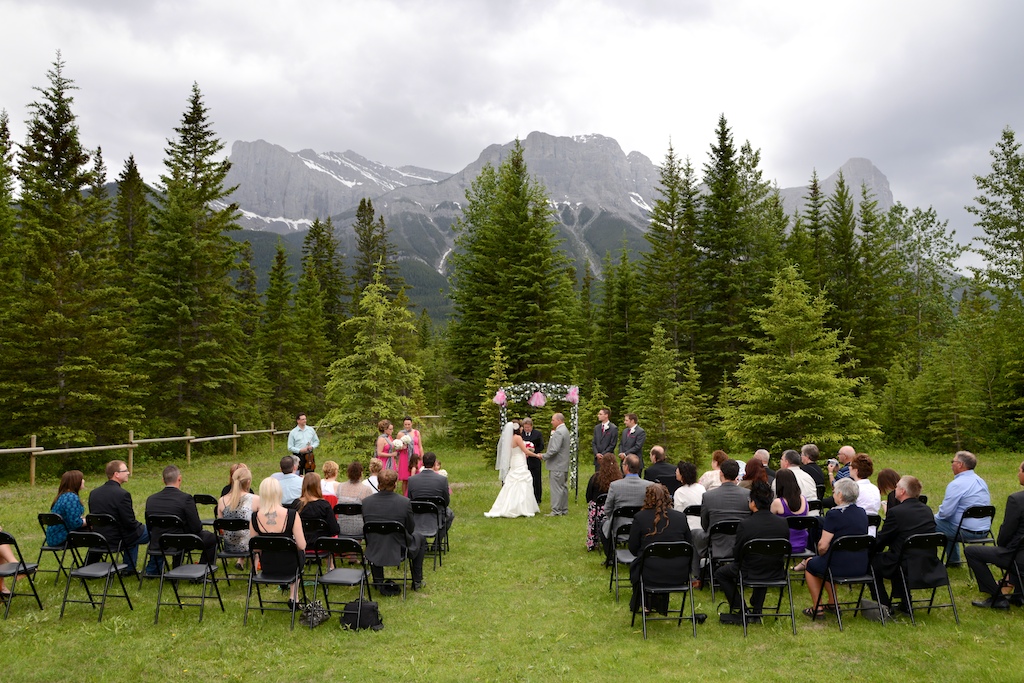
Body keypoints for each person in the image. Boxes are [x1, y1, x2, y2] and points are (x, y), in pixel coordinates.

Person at [717, 481, 791, 624]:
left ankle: (741, 608)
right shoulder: (782, 523)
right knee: (763, 561)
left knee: (721, 573)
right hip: (775, 570)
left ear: (753, 503)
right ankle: (757, 609)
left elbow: (737, 554)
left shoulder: (746, 524)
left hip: (750, 570)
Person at [870, 475, 936, 614]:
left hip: (904, 563)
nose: (895, 489)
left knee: (871, 563)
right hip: (928, 561)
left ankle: (883, 604)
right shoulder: (927, 510)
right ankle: (906, 603)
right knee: (896, 555)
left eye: (897, 487)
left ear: (902, 491)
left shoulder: (896, 512)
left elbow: (883, 538)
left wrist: (870, 551)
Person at [803, 478, 868, 617]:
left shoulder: (834, 515)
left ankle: (817, 608)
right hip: (861, 564)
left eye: (834, 492)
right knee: (825, 562)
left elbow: (822, 545)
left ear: (840, 495)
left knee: (810, 564)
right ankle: (832, 603)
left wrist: (820, 554)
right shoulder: (862, 513)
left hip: (838, 565)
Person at [967, 460, 1024, 610]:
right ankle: (1018, 594)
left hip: (1017, 555)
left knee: (971, 551)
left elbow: (1007, 530)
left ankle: (997, 598)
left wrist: (1002, 545)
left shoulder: (1017, 500)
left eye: (1020, 470)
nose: (1018, 474)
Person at [627, 484, 692, 614]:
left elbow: (633, 548)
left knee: (641, 563)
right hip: (678, 572)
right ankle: (655, 605)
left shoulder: (640, 517)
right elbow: (689, 545)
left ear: (647, 498)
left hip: (649, 573)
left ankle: (645, 604)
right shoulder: (680, 518)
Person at [363, 469, 426, 591]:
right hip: (399, 547)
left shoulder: (366, 502)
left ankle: (378, 580)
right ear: (395, 484)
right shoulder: (404, 502)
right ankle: (417, 581)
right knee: (420, 538)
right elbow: (410, 528)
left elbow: (367, 527)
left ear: (378, 484)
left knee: (377, 537)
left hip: (375, 546)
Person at [145, 465, 218, 567]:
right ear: (179, 478)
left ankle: (175, 566)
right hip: (181, 541)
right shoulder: (186, 499)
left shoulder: (151, 499)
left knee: (179, 533)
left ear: (163, 480)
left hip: (159, 541)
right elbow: (196, 527)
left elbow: (149, 526)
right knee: (212, 538)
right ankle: (202, 569)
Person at [250, 477, 306, 606]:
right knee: (299, 554)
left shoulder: (254, 517)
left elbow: (256, 548)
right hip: (291, 565)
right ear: (279, 492)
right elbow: (302, 545)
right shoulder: (292, 514)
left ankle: (294, 596)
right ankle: (294, 596)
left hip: (268, 565)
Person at [693, 459, 751, 577]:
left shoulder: (708, 496)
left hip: (716, 542)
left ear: (721, 474)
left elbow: (705, 524)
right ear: (737, 475)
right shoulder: (748, 495)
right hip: (741, 542)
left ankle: (696, 575)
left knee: (694, 533)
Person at [88, 460, 149, 571]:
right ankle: (153, 569)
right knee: (153, 532)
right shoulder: (122, 495)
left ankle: (129, 569)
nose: (128, 473)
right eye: (125, 470)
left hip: (100, 538)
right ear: (116, 474)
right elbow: (130, 523)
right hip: (118, 538)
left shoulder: (94, 493)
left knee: (133, 535)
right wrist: (141, 526)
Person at [935, 450, 991, 565]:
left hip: (965, 531)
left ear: (960, 464)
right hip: (984, 530)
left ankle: (928, 563)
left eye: (953, 461)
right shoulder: (981, 481)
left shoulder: (957, 484)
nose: (951, 465)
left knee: (926, 522)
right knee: (950, 523)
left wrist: (934, 517)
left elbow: (945, 513)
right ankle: (953, 561)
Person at [485, 421, 542, 518]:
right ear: (517, 428)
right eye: (521, 427)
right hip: (519, 461)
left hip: (514, 461)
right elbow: (525, 451)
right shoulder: (518, 438)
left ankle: (511, 504)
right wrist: (536, 455)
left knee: (513, 483)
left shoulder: (509, 439)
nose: (522, 429)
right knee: (522, 482)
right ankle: (521, 507)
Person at [602, 454, 655, 541]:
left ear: (626, 467)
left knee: (603, 526)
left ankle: (610, 553)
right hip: (642, 527)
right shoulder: (650, 485)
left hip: (619, 527)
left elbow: (607, 509)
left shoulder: (615, 486)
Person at [217, 466, 260, 564]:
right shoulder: (256, 499)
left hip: (229, 545)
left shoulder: (221, 500)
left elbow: (221, 528)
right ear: (248, 482)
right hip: (249, 546)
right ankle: (255, 569)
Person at [408, 451, 455, 531]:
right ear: (434, 463)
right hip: (437, 511)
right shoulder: (442, 479)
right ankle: (437, 542)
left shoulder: (412, 480)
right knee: (450, 514)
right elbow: (446, 501)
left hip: (417, 512)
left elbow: (410, 499)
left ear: (422, 463)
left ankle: (422, 541)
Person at [585, 453, 622, 551]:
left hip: (597, 510)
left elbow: (588, 496)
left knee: (592, 506)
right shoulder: (619, 479)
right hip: (613, 510)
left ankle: (593, 542)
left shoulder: (595, 477)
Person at [770, 468, 809, 556]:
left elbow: (769, 522)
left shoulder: (777, 503)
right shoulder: (804, 500)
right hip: (802, 544)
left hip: (783, 544)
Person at [296, 472, 340, 548]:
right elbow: (334, 529)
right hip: (321, 544)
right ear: (318, 486)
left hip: (301, 543)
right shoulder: (324, 505)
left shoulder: (296, 504)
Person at [541, 412, 571, 517]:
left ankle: (556, 511)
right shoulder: (565, 431)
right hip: (563, 465)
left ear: (559, 420)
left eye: (553, 420)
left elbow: (554, 449)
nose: (551, 422)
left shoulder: (558, 432)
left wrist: (544, 456)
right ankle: (563, 509)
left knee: (556, 488)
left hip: (557, 465)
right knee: (563, 487)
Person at [46, 470, 87, 547]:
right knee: (98, 535)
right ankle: (92, 558)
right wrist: (88, 520)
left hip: (53, 537)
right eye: (81, 479)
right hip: (63, 537)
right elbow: (75, 523)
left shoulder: (63, 496)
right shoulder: (71, 498)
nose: (83, 481)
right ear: (75, 482)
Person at [336, 461, 373, 537]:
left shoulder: (340, 487)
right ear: (361, 473)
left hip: (341, 526)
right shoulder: (366, 489)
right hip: (359, 528)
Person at [850, 454, 882, 533]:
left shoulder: (854, 488)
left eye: (851, 466)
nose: (849, 468)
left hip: (855, 531)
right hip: (872, 533)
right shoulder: (875, 489)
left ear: (856, 470)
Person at [672, 461, 706, 533]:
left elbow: (678, 515)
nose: (676, 472)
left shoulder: (679, 492)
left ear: (682, 475)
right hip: (703, 527)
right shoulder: (701, 488)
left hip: (687, 529)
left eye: (677, 471)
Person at [520, 417, 545, 505]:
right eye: (525, 427)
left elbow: (541, 446)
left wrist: (533, 450)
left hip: (534, 459)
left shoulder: (537, 434)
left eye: (528, 427)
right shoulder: (520, 434)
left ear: (531, 426)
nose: (527, 429)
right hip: (523, 460)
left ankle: (537, 498)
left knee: (536, 479)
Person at [398, 416, 424, 496]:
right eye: (405, 424)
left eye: (408, 424)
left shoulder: (416, 432)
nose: (407, 426)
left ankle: (415, 494)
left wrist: (422, 458)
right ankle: (404, 496)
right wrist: (402, 447)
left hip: (415, 456)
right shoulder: (400, 433)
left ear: (411, 424)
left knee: (416, 475)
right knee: (405, 478)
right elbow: (397, 447)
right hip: (405, 456)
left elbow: (420, 446)